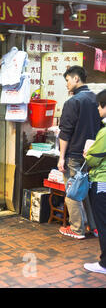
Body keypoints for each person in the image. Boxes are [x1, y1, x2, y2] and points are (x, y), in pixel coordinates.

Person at [58, 66, 101, 240]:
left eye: (68, 80)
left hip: (74, 155)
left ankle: (77, 229)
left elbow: (65, 132)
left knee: (73, 192)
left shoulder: (73, 102)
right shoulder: (96, 99)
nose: (67, 84)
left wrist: (61, 157)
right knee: (88, 192)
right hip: (91, 156)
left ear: (76, 79)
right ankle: (94, 226)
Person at [83, 89, 106, 275]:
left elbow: (93, 158)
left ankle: (104, 263)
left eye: (100, 105)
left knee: (103, 223)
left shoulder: (105, 132)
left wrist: (87, 154)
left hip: (102, 182)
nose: (98, 108)